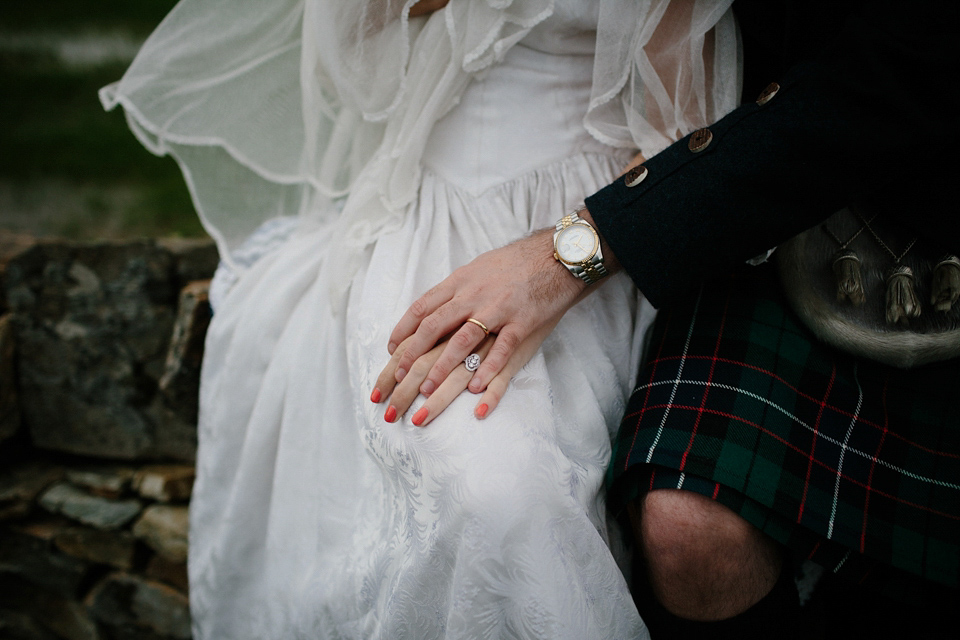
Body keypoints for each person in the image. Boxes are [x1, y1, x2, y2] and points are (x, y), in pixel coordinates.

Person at [102, 0, 743, 637]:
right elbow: (342, 57)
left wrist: (581, 250)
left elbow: (682, 138)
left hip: (591, 231)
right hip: (427, 223)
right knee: (469, 471)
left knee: (506, 493)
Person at [386, 0, 960, 638]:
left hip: (865, 171)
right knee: (688, 526)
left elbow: (897, 79)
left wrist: (570, 252)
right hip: (735, 182)